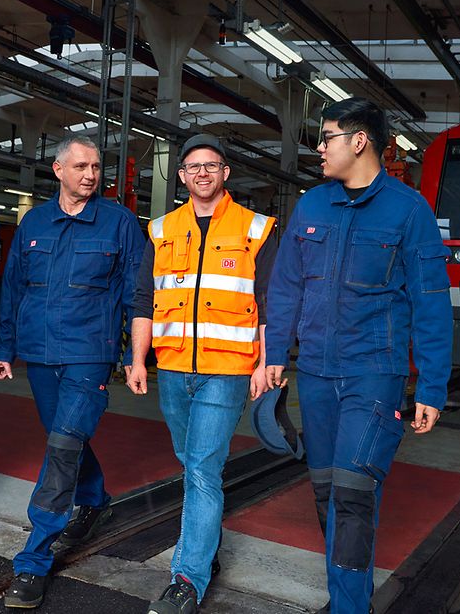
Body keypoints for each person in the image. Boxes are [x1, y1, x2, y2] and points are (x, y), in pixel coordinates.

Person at [264, 98, 452, 614]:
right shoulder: (312, 205)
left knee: (352, 492)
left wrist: (432, 387)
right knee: (326, 492)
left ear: (359, 141)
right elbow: (286, 287)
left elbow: (431, 304)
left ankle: (350, 607)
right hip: (318, 375)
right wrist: (274, 353)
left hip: (374, 375)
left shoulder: (409, 211)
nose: (320, 149)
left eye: (327, 138)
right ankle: (349, 593)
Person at [0, 135, 144, 609]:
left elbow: (136, 296)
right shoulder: (34, 221)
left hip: (89, 354)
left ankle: (33, 559)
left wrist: (134, 357)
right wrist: (5, 346)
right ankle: (95, 497)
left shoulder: (119, 223)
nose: (91, 175)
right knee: (64, 438)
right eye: (81, 166)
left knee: (61, 448)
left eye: (96, 167)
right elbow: (13, 288)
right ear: (57, 169)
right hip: (38, 352)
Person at [128, 134, 277, 614]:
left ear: (225, 172)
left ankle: (186, 579)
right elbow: (142, 302)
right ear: (182, 176)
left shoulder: (256, 228)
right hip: (172, 368)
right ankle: (206, 548)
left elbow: (272, 305)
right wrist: (137, 359)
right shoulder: (160, 230)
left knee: (201, 470)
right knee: (192, 464)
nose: (202, 174)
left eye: (211, 166)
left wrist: (266, 363)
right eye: (193, 167)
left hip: (228, 369)